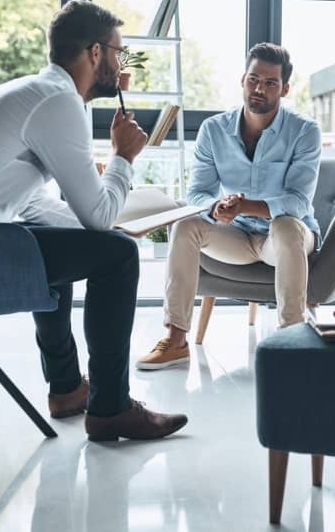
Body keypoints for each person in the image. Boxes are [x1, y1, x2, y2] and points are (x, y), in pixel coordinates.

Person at [0, 0, 187, 441]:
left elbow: (34, 204)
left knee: (69, 244)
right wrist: (123, 159)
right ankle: (110, 408)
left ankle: (68, 389)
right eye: (118, 52)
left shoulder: (37, 94)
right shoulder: (59, 102)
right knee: (118, 257)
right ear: (95, 53)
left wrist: (106, 225)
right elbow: (97, 216)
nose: (120, 64)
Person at [136, 43, 322, 370]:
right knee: (185, 223)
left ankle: (291, 340)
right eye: (253, 80)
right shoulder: (213, 130)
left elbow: (298, 201)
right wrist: (215, 208)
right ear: (242, 80)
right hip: (236, 236)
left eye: (270, 83)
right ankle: (176, 339)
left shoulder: (304, 131)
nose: (259, 89)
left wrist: (246, 205)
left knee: (286, 224)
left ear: (285, 88)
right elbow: (197, 193)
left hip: (283, 240)